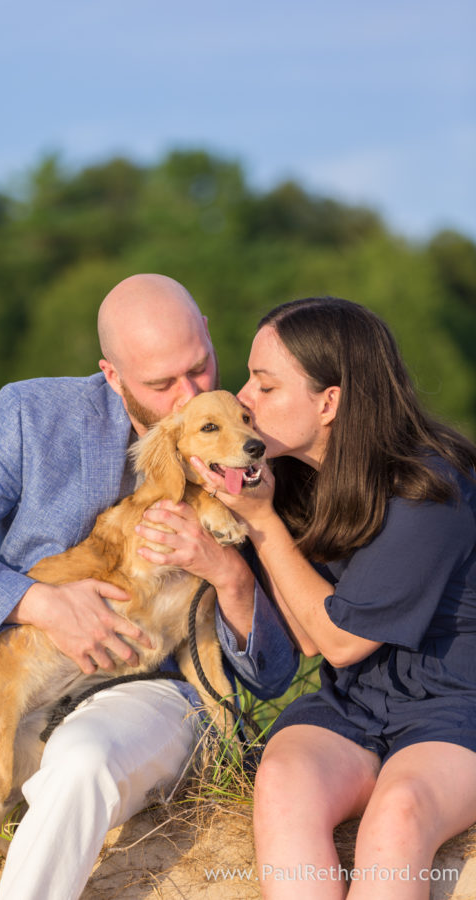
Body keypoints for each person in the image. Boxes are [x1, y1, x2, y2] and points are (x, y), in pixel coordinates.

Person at [0, 273, 298, 900]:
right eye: (161, 384)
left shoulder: (256, 435)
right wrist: (38, 602)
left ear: (208, 334)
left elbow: (272, 669)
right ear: (112, 374)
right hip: (10, 691)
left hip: (153, 694)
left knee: (80, 762)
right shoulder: (32, 415)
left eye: (199, 367)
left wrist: (230, 572)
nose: (189, 395)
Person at [138, 296, 476, 899]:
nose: (243, 398)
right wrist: (227, 566)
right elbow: (295, 640)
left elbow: (340, 643)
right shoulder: (293, 481)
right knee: (284, 778)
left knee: (397, 816)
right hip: (355, 705)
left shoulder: (429, 490)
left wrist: (263, 524)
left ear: (330, 402)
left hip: (456, 708)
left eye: (265, 386)